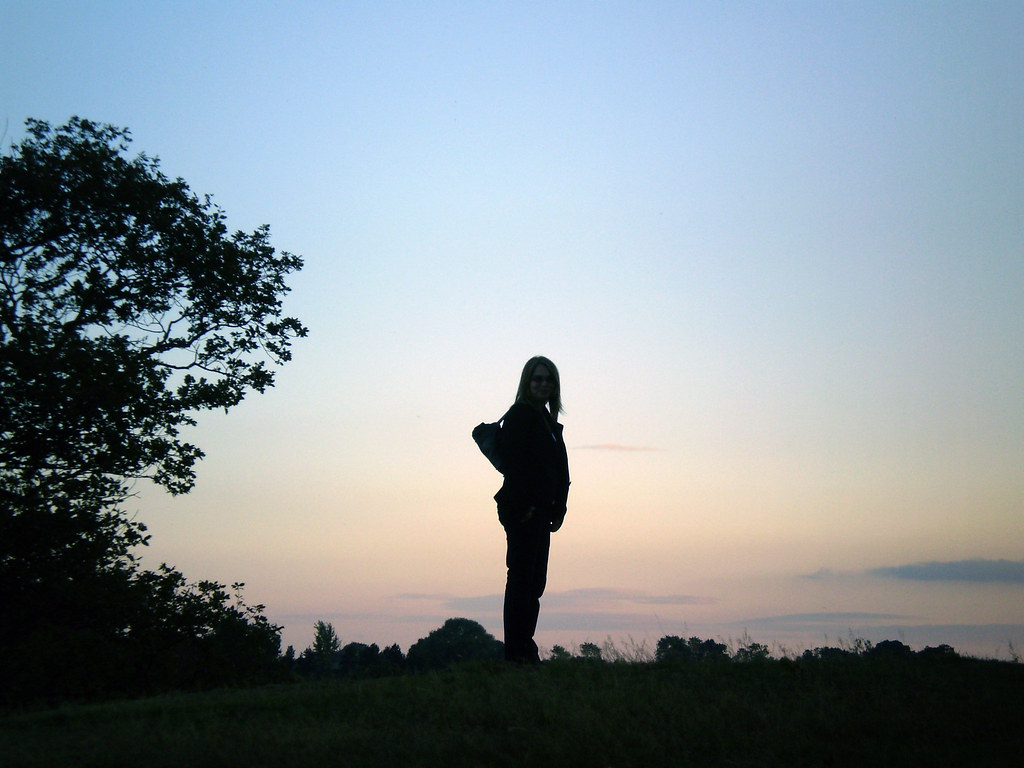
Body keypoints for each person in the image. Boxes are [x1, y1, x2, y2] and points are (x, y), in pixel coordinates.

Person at [494, 356, 570, 664]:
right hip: (524, 511)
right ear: (527, 382)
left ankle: (525, 648)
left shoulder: (546, 421)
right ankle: (517, 653)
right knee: (522, 580)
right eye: (537, 378)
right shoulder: (521, 415)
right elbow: (515, 465)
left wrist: (559, 507)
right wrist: (524, 507)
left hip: (541, 512)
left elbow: (556, 469)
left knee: (534, 583)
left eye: (548, 379)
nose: (543, 384)